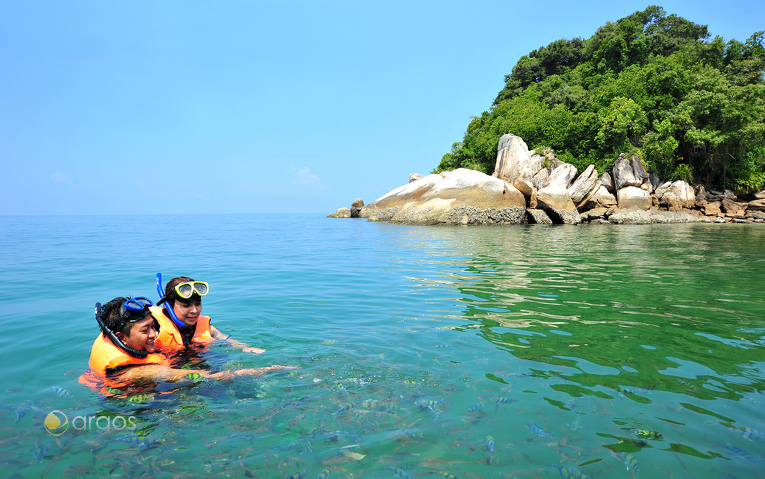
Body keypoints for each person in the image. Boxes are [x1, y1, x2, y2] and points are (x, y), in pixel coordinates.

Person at [79, 296, 294, 394]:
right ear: (121, 337)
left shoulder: (130, 343)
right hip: (137, 411)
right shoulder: (135, 371)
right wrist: (269, 370)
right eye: (146, 331)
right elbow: (203, 378)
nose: (155, 334)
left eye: (154, 326)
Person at [151, 274, 264, 353]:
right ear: (168, 305)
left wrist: (245, 348)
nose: (194, 310)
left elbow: (225, 338)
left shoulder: (206, 327)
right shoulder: (154, 330)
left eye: (197, 304)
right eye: (186, 306)